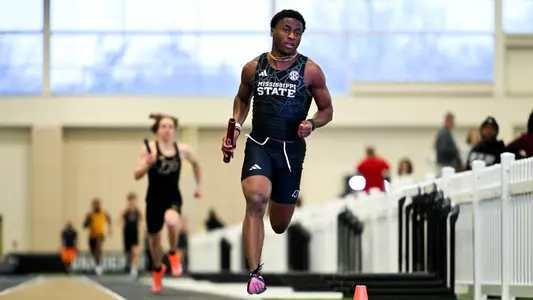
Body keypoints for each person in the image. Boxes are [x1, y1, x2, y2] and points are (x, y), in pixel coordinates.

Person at [221, 9, 333, 295]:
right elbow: (242, 100)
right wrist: (235, 126)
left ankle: (277, 195)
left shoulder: (310, 71)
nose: (291, 36)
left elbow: (327, 109)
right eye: (286, 29)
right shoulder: (253, 67)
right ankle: (255, 273)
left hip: (291, 152)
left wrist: (312, 123)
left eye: (297, 32)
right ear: (272, 30)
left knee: (280, 223)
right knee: (256, 198)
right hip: (260, 144)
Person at [134, 113, 203, 294]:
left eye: (171, 126)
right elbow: (136, 174)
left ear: (175, 130)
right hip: (153, 199)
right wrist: (147, 164)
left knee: (173, 221)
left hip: (172, 196)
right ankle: (158, 269)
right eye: (163, 126)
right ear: (157, 130)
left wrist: (199, 186)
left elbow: (197, 164)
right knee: (154, 239)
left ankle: (172, 253)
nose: (167, 130)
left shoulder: (183, 150)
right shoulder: (149, 148)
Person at [83, 198, 112, 275]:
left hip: (100, 235)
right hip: (92, 235)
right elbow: (85, 225)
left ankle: (98, 265)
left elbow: (109, 219)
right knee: (93, 250)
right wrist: (88, 220)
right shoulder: (90, 214)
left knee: (98, 248)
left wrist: (110, 229)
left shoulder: (104, 213)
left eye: (98, 204)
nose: (96, 206)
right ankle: (96, 263)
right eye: (95, 204)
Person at [120, 192, 143, 277]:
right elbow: (120, 218)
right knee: (128, 252)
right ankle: (128, 264)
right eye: (131, 201)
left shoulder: (137, 210)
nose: (133, 203)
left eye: (134, 201)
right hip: (127, 233)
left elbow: (142, 218)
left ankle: (134, 268)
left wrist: (140, 226)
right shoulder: (126, 210)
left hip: (135, 233)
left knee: (135, 252)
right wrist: (122, 224)